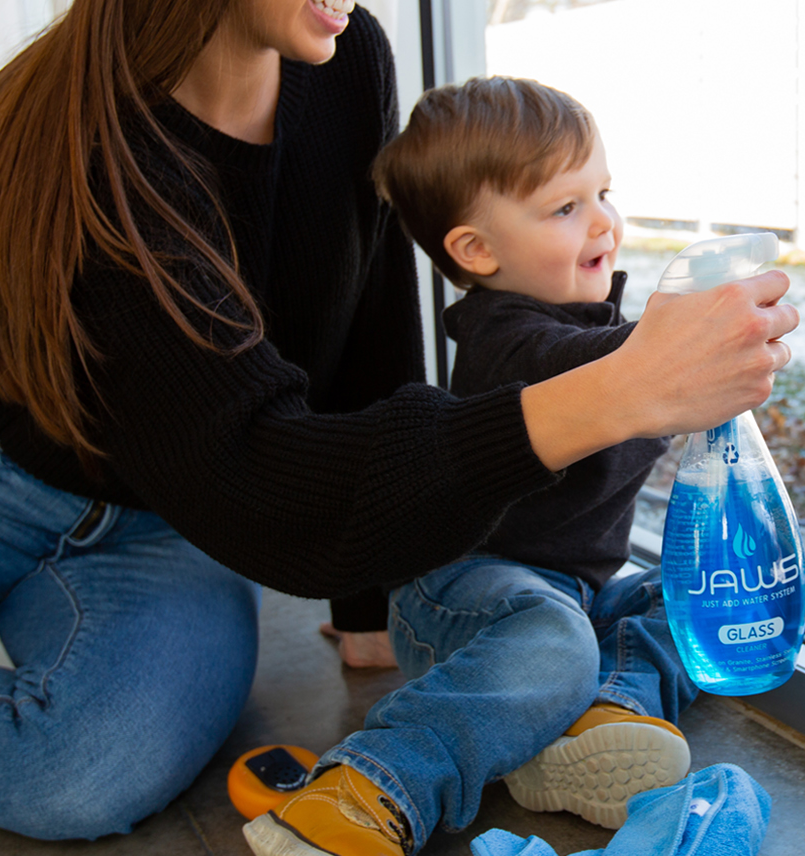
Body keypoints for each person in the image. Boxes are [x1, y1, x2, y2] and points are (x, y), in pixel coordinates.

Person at [0, 0, 796, 843]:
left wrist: (370, 600)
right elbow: (262, 473)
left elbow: (363, 322)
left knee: (87, 771)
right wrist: (620, 388)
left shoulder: (347, 63)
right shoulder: (83, 154)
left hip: (171, 514)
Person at [233, 77, 700, 856]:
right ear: (476, 251)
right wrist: (672, 353)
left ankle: (590, 723)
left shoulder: (589, 327)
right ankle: (368, 787)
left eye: (604, 193)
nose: (605, 223)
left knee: (683, 592)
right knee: (555, 635)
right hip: (459, 593)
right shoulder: (504, 339)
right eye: (565, 208)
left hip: (564, 594)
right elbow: (584, 367)